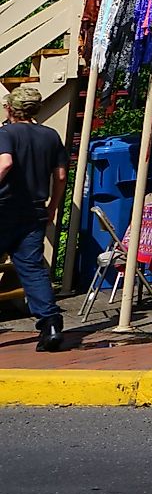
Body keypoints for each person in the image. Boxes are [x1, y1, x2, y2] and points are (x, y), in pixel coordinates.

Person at [0, 84, 67, 352]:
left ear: (10, 109)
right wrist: (53, 206)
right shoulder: (51, 136)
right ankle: (50, 324)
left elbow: (5, 163)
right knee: (32, 268)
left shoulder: (6, 133)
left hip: (4, 207)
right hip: (34, 211)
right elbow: (60, 175)